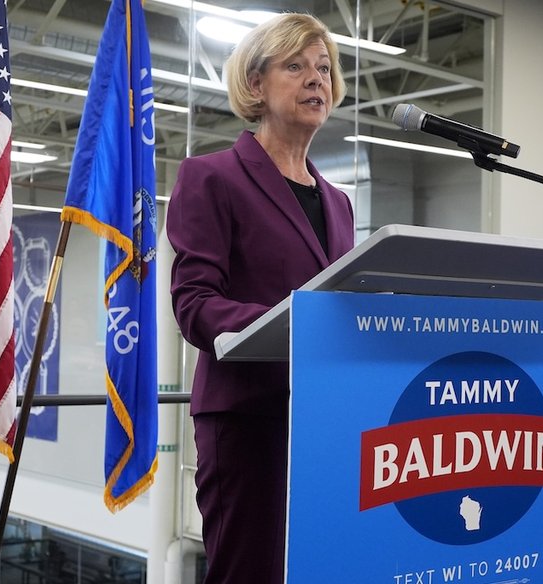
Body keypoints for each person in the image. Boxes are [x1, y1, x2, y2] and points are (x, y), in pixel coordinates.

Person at [166, 13, 355, 584]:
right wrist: (293, 321)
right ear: (255, 84)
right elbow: (194, 304)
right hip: (247, 420)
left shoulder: (340, 202)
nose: (315, 79)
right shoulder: (212, 178)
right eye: (295, 66)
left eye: (323, 68)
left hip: (323, 418)